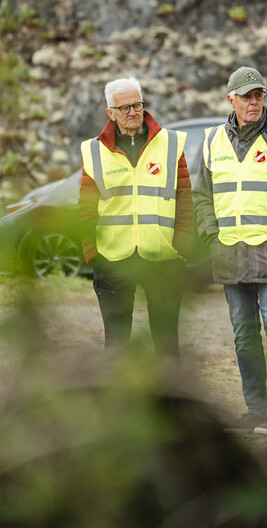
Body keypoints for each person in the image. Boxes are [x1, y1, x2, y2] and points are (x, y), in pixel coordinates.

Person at [193, 66, 267, 436]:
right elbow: (202, 197)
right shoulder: (212, 139)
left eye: (259, 95)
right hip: (229, 254)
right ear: (230, 100)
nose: (254, 102)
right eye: (246, 96)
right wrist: (211, 238)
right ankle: (255, 410)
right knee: (244, 333)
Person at [78, 77, 193, 357]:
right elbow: (86, 208)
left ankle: (170, 388)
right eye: (125, 107)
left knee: (167, 345)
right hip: (112, 259)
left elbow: (184, 198)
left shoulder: (170, 143)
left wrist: (183, 245)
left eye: (137, 105)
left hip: (163, 258)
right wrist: (92, 252)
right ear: (111, 113)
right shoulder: (94, 150)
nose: (133, 112)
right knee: (116, 346)